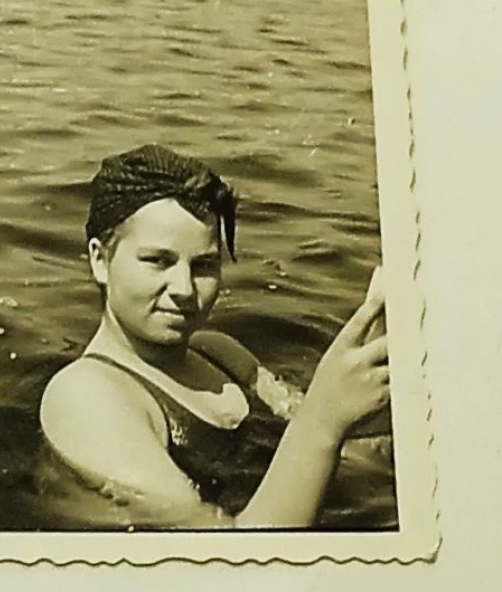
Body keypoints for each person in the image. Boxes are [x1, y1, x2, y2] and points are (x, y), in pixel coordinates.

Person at [39, 143, 389, 528]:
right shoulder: (86, 395)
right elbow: (231, 561)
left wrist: (378, 332)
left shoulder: (221, 353)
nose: (185, 289)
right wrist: (325, 420)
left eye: (204, 265)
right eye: (158, 261)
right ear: (99, 260)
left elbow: (349, 449)